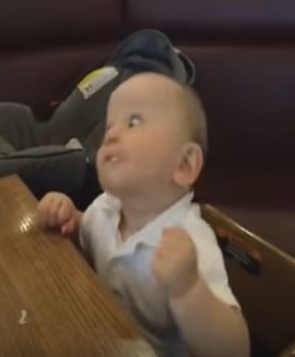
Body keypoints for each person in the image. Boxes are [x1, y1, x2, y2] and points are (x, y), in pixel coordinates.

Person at [36, 72, 249, 357]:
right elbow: (86, 244)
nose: (110, 133)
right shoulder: (105, 207)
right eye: (109, 124)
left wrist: (188, 290)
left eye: (133, 122)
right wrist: (69, 220)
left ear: (184, 164)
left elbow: (236, 350)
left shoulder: (190, 243)